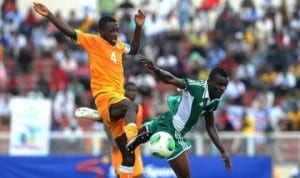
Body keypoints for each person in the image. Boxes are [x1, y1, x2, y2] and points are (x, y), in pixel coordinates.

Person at [33, 2, 146, 178]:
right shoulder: (93, 41)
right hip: (105, 96)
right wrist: (49, 15)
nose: (115, 34)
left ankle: (106, 120)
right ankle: (131, 136)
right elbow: (69, 31)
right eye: (111, 31)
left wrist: (138, 27)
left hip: (117, 98)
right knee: (132, 107)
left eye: (116, 30)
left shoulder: (119, 46)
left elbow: (135, 49)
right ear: (101, 32)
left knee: (128, 157)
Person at [126, 56, 232, 177]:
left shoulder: (215, 100)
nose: (222, 88)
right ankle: (145, 138)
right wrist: (156, 69)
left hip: (166, 120)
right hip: (173, 131)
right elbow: (171, 79)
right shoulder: (196, 88)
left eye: (225, 85)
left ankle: (147, 136)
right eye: (219, 84)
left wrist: (223, 151)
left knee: (130, 142)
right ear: (209, 81)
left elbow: (210, 125)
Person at [75, 82, 144, 178]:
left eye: (134, 90)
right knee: (121, 175)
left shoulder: (139, 108)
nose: (132, 93)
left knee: (139, 175)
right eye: (129, 90)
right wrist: (113, 141)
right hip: (120, 145)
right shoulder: (120, 106)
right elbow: (107, 124)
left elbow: (138, 127)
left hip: (134, 147)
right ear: (123, 91)